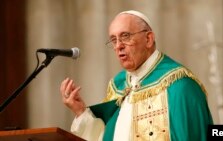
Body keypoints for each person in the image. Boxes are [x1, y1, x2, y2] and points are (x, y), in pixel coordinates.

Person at [60, 10, 213, 141]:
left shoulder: (179, 86)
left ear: (148, 39)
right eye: (113, 40)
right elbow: (108, 136)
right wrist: (81, 112)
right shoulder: (119, 87)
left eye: (125, 36)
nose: (118, 45)